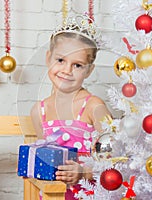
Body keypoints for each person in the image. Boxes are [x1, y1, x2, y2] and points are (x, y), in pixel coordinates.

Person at [30, 15, 111, 199]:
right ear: (48, 58)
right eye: (60, 60)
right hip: (52, 195)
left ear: (89, 70)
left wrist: (84, 172)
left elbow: (116, 160)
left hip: (87, 195)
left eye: (77, 65)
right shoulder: (39, 111)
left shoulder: (93, 106)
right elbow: (44, 159)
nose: (67, 70)